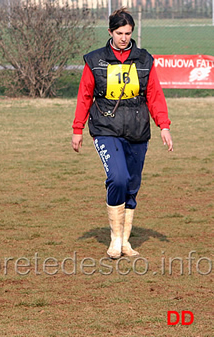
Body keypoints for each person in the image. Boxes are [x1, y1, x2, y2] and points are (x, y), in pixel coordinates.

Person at [71, 7, 173, 259]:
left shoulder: (144, 60)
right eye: (119, 33)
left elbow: (154, 95)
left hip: (138, 129)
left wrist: (164, 126)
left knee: (131, 184)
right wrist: (77, 129)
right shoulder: (95, 61)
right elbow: (85, 95)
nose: (124, 38)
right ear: (110, 32)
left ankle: (125, 242)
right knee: (117, 177)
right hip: (106, 128)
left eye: (128, 33)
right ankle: (115, 240)